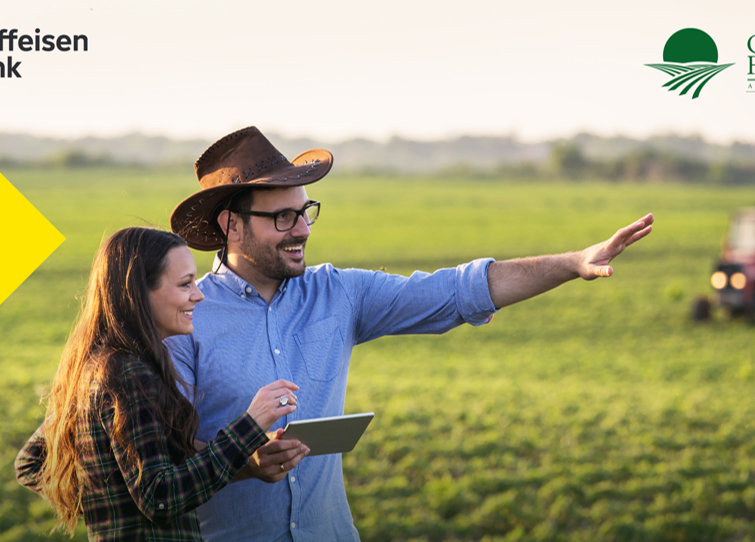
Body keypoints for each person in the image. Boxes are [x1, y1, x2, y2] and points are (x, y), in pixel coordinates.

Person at [166, 127, 655, 542]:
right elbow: (169, 462)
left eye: (305, 211)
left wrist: (572, 263)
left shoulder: (339, 293)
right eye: (282, 217)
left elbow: (455, 291)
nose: (302, 231)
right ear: (231, 225)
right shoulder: (186, 317)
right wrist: (244, 462)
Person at [14, 227, 310, 541]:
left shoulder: (100, 366)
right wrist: (249, 425)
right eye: (185, 284)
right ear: (139, 292)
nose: (198, 294)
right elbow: (160, 497)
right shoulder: (128, 374)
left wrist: (112, 498)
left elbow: (31, 462)